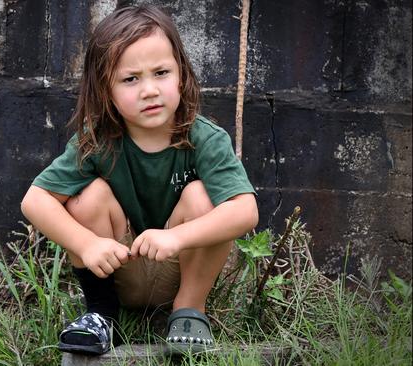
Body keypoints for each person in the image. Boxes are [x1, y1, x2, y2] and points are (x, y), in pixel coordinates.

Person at [21, 4, 258, 356]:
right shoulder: (98, 140)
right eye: (130, 79)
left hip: (180, 267)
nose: (149, 90)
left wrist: (175, 237)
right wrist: (87, 244)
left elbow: (246, 212)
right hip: (119, 267)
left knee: (202, 196)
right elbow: (34, 200)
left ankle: (189, 312)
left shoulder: (204, 138)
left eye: (161, 72)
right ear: (106, 91)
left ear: (181, 74)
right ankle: (101, 315)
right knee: (88, 195)